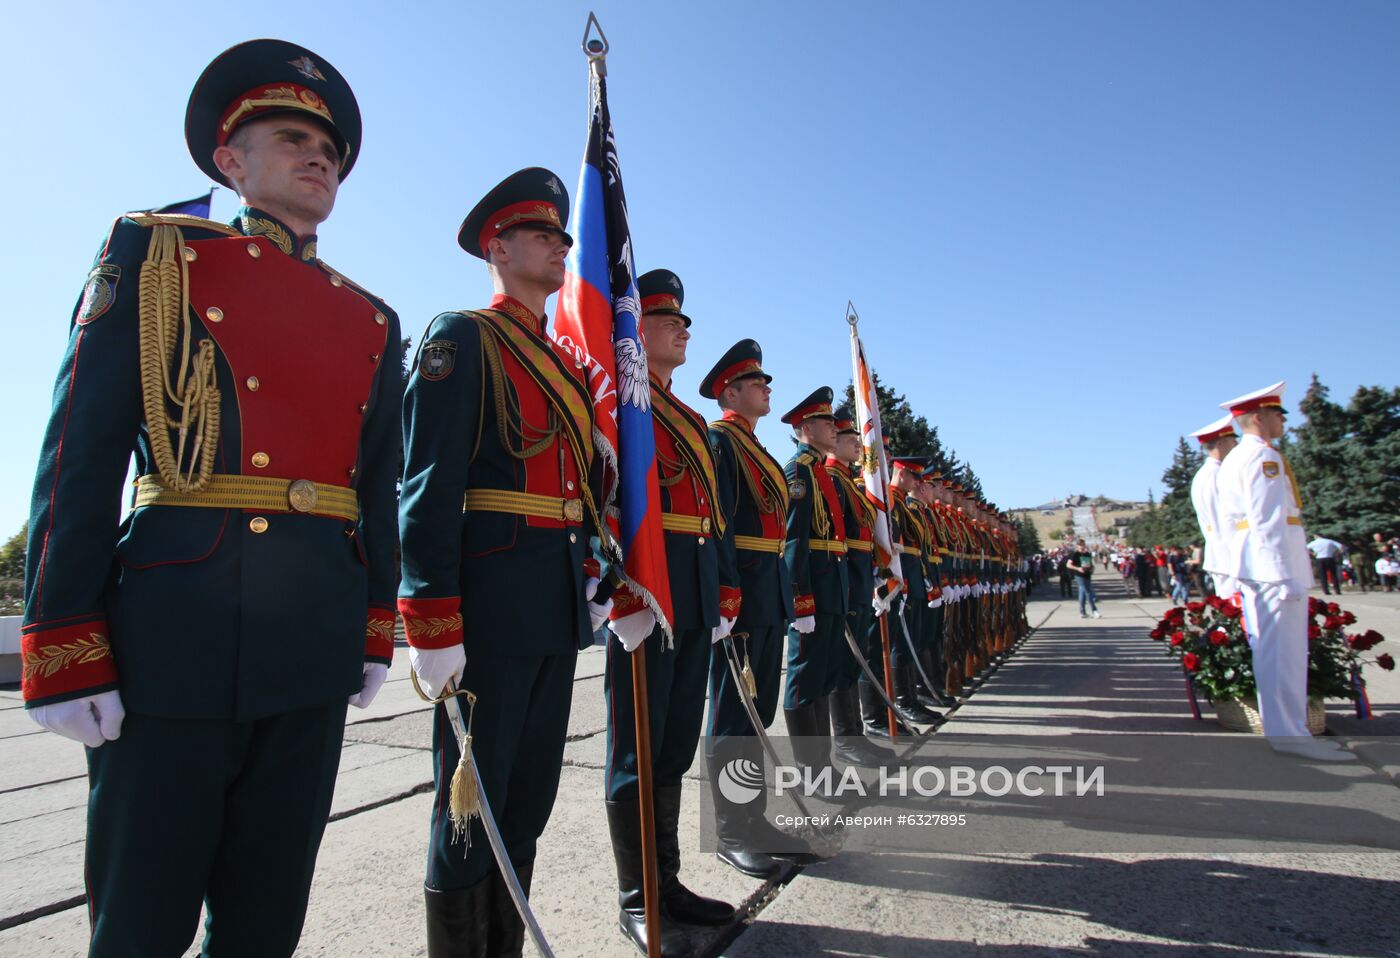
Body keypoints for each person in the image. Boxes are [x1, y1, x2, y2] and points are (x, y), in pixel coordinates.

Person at [19, 40, 400, 955]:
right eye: (290, 136)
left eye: (330, 149)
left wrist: (373, 621)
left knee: (268, 915)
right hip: (174, 632)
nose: (319, 157)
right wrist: (62, 640)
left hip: (311, 631)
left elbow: (374, 485)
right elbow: (79, 450)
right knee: (142, 917)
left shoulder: (371, 314)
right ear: (231, 162)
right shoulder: (158, 256)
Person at [398, 167, 615, 954]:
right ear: (497, 245)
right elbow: (427, 486)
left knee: (526, 802)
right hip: (486, 609)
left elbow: (580, 492)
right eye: (542, 234)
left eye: (563, 235)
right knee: (468, 807)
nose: (560, 247)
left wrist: (592, 572)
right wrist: (429, 617)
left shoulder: (562, 365)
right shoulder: (462, 337)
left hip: (552, 608)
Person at [598, 270, 734, 957]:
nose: (682, 330)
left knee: (674, 745)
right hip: (647, 592)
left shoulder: (689, 419)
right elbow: (604, 497)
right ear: (633, 329)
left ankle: (669, 882)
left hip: (694, 591)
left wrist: (724, 593)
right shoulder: (621, 403)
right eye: (667, 320)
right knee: (636, 749)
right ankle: (637, 895)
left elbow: (715, 519)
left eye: (682, 321)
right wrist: (620, 588)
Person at [701, 340, 804, 878]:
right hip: (741, 592)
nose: (767, 388)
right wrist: (724, 589)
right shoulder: (719, 441)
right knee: (733, 716)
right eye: (756, 382)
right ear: (730, 391)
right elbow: (718, 521)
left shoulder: (757, 449)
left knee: (757, 715)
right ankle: (731, 830)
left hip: (769, 592)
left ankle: (756, 818)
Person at [1215, 381, 1354, 762]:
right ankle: (1291, 734)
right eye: (1276, 414)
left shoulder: (1240, 458)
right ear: (1258, 417)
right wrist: (1283, 573)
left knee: (1274, 651)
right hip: (1271, 565)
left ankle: (1288, 731)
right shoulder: (1262, 459)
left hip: (1258, 563)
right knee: (1285, 653)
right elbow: (1268, 521)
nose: (1281, 421)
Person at [778, 387, 848, 775]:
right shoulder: (799, 471)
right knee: (805, 677)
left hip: (831, 585)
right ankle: (810, 768)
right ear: (806, 427)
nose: (835, 428)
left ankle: (824, 763)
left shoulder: (819, 470)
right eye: (827, 422)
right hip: (813, 591)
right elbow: (794, 540)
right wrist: (799, 598)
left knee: (822, 674)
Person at [823, 406, 895, 766]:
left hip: (860, 580)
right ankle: (847, 737)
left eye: (855, 437)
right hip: (845, 583)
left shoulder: (850, 485)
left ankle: (856, 733)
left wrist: (877, 571)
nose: (857, 444)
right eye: (850, 438)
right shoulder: (831, 480)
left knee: (855, 659)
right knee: (841, 661)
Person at [1189, 414, 1238, 597]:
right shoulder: (1217, 475)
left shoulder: (1206, 474)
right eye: (1233, 441)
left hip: (1222, 553)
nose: (1236, 446)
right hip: (1230, 555)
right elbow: (1224, 517)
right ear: (1220, 444)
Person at [1066, 538, 1101, 618]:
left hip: (1087, 575)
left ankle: (1082, 612)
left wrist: (1092, 568)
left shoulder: (1087, 554)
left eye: (1082, 544)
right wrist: (1078, 568)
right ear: (1077, 546)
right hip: (1079, 575)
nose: (1081, 546)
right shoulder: (1075, 554)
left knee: (1082, 593)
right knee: (1088, 592)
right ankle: (1094, 610)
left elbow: (1090, 564)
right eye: (1079, 545)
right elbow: (1068, 565)